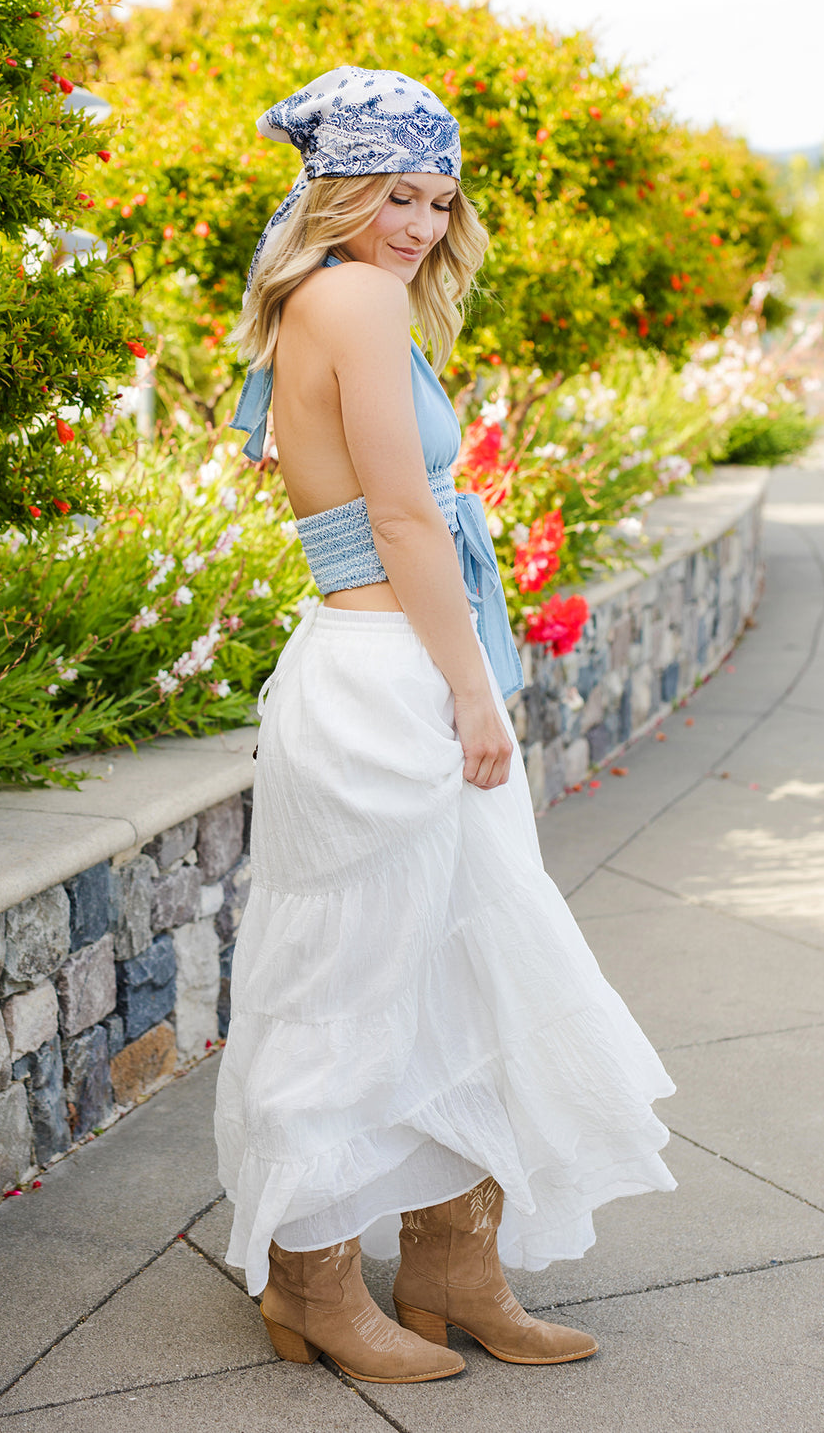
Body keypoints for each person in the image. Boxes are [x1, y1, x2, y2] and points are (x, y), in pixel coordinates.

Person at [214, 67, 675, 1386]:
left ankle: (453, 1270)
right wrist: (474, 692)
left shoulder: (344, 297)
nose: (417, 223)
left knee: (454, 966)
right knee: (360, 979)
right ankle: (314, 1283)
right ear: (339, 191)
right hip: (387, 673)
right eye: (393, 194)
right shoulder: (352, 295)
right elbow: (406, 517)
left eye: (435, 197)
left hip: (376, 661)